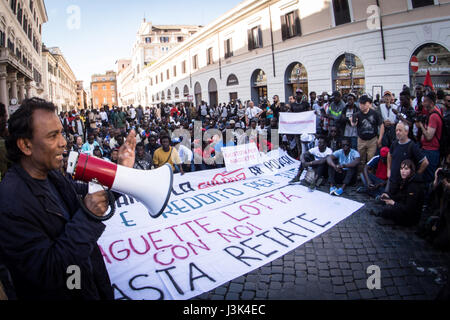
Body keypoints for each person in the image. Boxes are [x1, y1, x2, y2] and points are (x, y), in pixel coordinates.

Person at [0, 98, 137, 300]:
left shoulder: (52, 175)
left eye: (61, 133)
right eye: (52, 136)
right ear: (26, 145)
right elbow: (50, 274)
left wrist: (122, 172)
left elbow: (92, 195)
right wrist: (88, 217)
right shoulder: (10, 202)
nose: (63, 142)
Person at [376, 160, 424, 227]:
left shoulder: (414, 186)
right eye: (401, 169)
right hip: (403, 207)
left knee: (387, 210)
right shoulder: (406, 180)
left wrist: (393, 203)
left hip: (410, 216)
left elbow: (409, 208)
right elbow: (400, 196)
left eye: (406, 169)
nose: (403, 171)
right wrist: (388, 195)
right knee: (383, 204)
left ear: (411, 170)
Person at [387, 122, 429, 194]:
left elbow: (425, 162)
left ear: (406, 132)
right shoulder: (394, 143)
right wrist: (389, 169)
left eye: (400, 130)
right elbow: (389, 155)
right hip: (393, 181)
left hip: (404, 184)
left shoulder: (412, 146)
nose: (398, 132)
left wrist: (415, 176)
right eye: (396, 130)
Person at [350, 95, 384, 173]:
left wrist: (380, 139)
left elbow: (381, 125)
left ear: (369, 104)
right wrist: (352, 121)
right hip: (361, 139)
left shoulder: (375, 113)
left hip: (372, 139)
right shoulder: (357, 114)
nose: (362, 105)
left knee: (371, 159)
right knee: (360, 159)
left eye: (364, 103)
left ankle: (370, 175)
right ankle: (360, 175)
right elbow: (353, 124)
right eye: (361, 103)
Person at [415, 92, 443, 183]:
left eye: (425, 101)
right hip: (428, 150)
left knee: (428, 179)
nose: (423, 104)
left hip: (431, 151)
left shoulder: (434, 116)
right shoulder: (432, 113)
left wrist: (421, 126)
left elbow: (429, 136)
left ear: (431, 103)